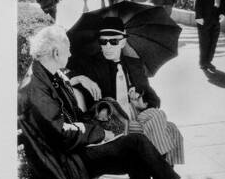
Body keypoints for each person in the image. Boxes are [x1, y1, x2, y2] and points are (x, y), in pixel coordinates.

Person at [18, 25, 221, 179]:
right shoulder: (36, 86)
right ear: (56, 53)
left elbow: (71, 118)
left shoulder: (49, 74)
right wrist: (100, 133)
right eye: (68, 50)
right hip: (62, 162)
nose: (71, 54)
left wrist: (98, 117)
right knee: (136, 143)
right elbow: (62, 134)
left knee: (137, 153)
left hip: (72, 151)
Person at [67, 17, 184, 167]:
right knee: (167, 128)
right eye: (103, 41)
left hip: (135, 115)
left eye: (113, 41)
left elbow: (154, 100)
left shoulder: (134, 65)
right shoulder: (91, 65)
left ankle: (153, 172)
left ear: (123, 42)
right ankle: (159, 171)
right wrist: (81, 78)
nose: (108, 46)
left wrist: (141, 103)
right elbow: (63, 79)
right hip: (112, 120)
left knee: (159, 116)